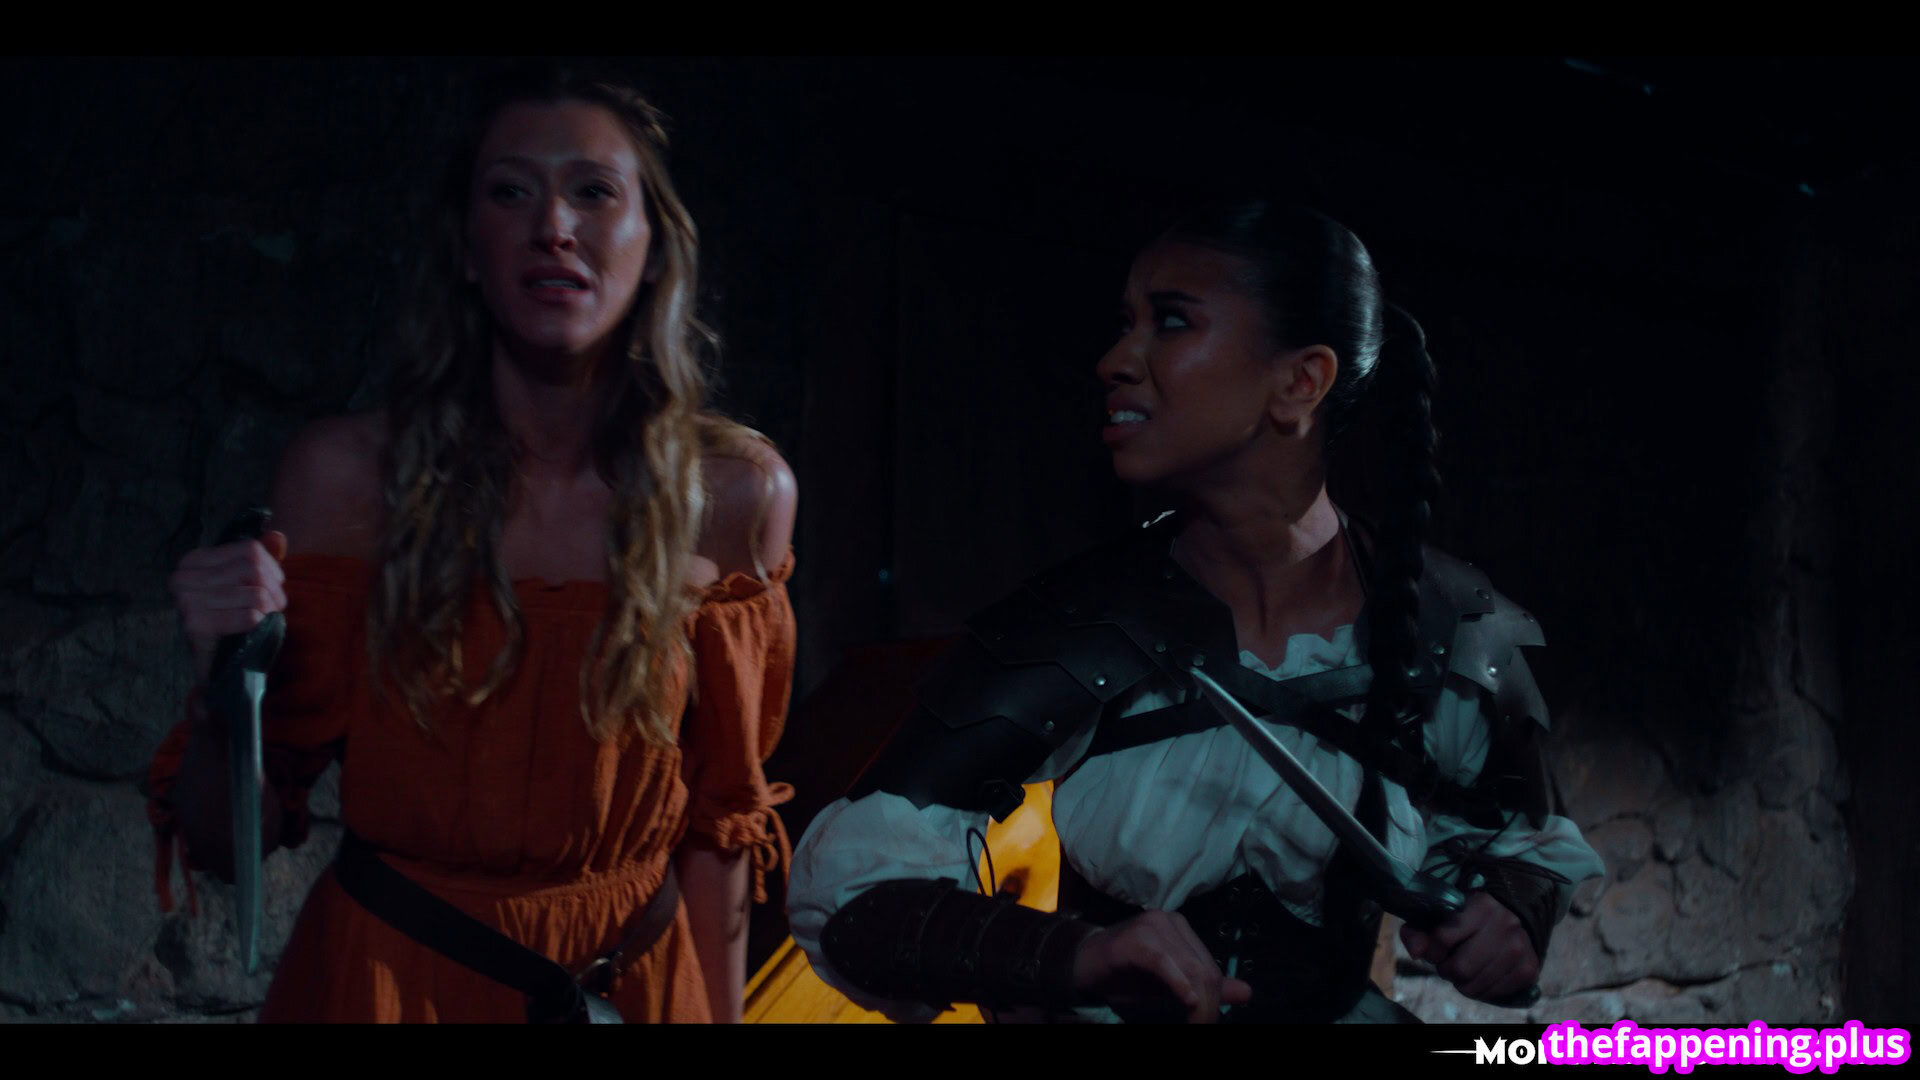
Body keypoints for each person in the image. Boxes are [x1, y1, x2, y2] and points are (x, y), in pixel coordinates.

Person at [785, 202, 1603, 1024]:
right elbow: (855, 898)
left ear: (1301, 382)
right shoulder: (1077, 619)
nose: (1114, 361)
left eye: (1172, 321)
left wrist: (1510, 911)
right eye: (1126, 323)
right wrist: (1074, 956)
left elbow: (1530, 841)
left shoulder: (1446, 621)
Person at [147, 65, 798, 1023]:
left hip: (633, 989)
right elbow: (221, 845)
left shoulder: (736, 494)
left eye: (593, 191)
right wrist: (219, 694)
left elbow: (719, 833)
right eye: (510, 192)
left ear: (654, 244)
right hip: (389, 988)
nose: (554, 226)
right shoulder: (346, 481)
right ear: (465, 248)